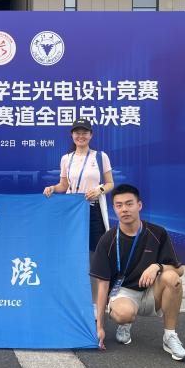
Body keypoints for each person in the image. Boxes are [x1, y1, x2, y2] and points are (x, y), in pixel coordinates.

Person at [90, 184, 185, 361]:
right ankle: (125, 324)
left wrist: (157, 266)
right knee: (123, 314)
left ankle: (170, 337)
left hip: (152, 291)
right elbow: (103, 285)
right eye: (119, 205)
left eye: (129, 204)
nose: (124, 209)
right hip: (124, 292)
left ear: (139, 205)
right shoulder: (107, 240)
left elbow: (179, 269)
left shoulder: (157, 233)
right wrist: (99, 328)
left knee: (172, 278)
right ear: (114, 209)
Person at [43, 118, 114, 308]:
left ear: (91, 135)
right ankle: (74, 300)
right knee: (73, 254)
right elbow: (64, 185)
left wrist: (99, 190)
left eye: (85, 132)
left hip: (93, 211)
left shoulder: (100, 157)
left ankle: (95, 303)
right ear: (72, 135)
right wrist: (53, 188)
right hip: (72, 214)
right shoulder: (66, 159)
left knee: (95, 256)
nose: (80, 136)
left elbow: (110, 183)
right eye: (77, 132)